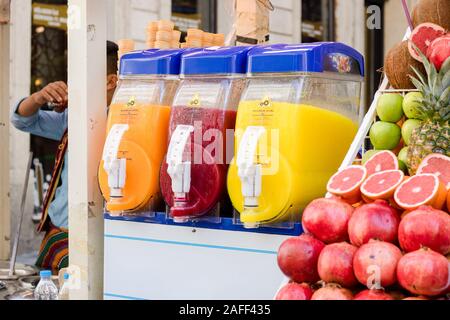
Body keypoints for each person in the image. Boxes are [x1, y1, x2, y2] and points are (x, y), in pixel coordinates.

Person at [11, 41, 119, 273]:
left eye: (83, 75)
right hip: (61, 228)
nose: (75, 83)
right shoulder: (72, 116)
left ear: (110, 82)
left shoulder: (128, 118)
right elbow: (22, 120)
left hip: (105, 230)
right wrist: (40, 97)